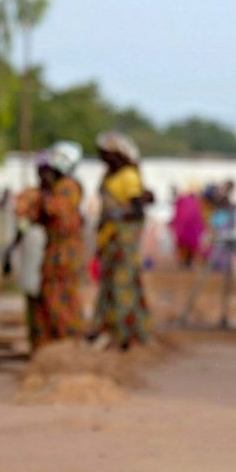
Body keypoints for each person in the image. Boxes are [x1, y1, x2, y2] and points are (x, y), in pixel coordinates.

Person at [16, 142, 86, 349]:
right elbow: (27, 212)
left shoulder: (67, 187)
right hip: (53, 252)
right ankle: (51, 345)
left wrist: (41, 196)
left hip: (64, 254)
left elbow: (53, 210)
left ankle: (68, 342)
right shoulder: (52, 190)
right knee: (47, 299)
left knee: (61, 300)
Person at [91, 131, 154, 350]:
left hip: (123, 241)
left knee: (122, 286)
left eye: (106, 153)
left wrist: (116, 215)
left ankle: (124, 335)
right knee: (108, 286)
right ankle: (108, 330)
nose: (102, 157)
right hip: (109, 240)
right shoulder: (108, 177)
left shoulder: (129, 176)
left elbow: (137, 211)